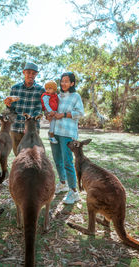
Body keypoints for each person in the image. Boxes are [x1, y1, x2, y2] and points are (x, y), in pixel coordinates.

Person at [50, 72, 84, 204]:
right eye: (62, 81)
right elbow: (53, 111)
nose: (63, 83)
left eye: (66, 81)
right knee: (57, 160)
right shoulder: (57, 96)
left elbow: (80, 113)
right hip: (55, 132)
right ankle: (63, 183)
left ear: (72, 83)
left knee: (67, 162)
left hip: (67, 134)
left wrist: (63, 114)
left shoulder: (76, 96)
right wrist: (51, 114)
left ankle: (74, 192)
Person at [4, 62, 45, 156]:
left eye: (33, 73)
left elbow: (39, 109)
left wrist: (29, 123)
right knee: (18, 156)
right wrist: (8, 105)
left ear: (36, 74)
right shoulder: (15, 88)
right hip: (16, 128)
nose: (31, 75)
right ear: (23, 72)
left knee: (33, 157)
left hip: (32, 130)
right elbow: (11, 111)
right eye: (28, 72)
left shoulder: (40, 90)